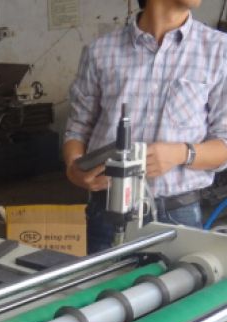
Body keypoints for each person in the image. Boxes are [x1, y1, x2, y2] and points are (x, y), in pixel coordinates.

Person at [63, 0, 227, 252]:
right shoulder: (100, 51)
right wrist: (73, 168)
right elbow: (78, 127)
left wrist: (181, 153)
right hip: (107, 209)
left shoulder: (218, 51)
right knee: (105, 279)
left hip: (177, 214)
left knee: (179, 280)